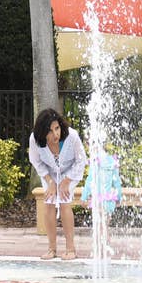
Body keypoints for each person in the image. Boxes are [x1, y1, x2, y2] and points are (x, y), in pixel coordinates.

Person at [28, 108, 87, 261]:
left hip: (70, 172)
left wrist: (66, 181)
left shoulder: (72, 136)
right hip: (49, 173)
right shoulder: (34, 139)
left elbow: (81, 160)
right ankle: (51, 249)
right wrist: (50, 181)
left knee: (64, 200)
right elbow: (36, 161)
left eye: (57, 128)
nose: (55, 134)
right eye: (50, 131)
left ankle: (70, 249)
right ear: (42, 132)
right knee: (49, 201)